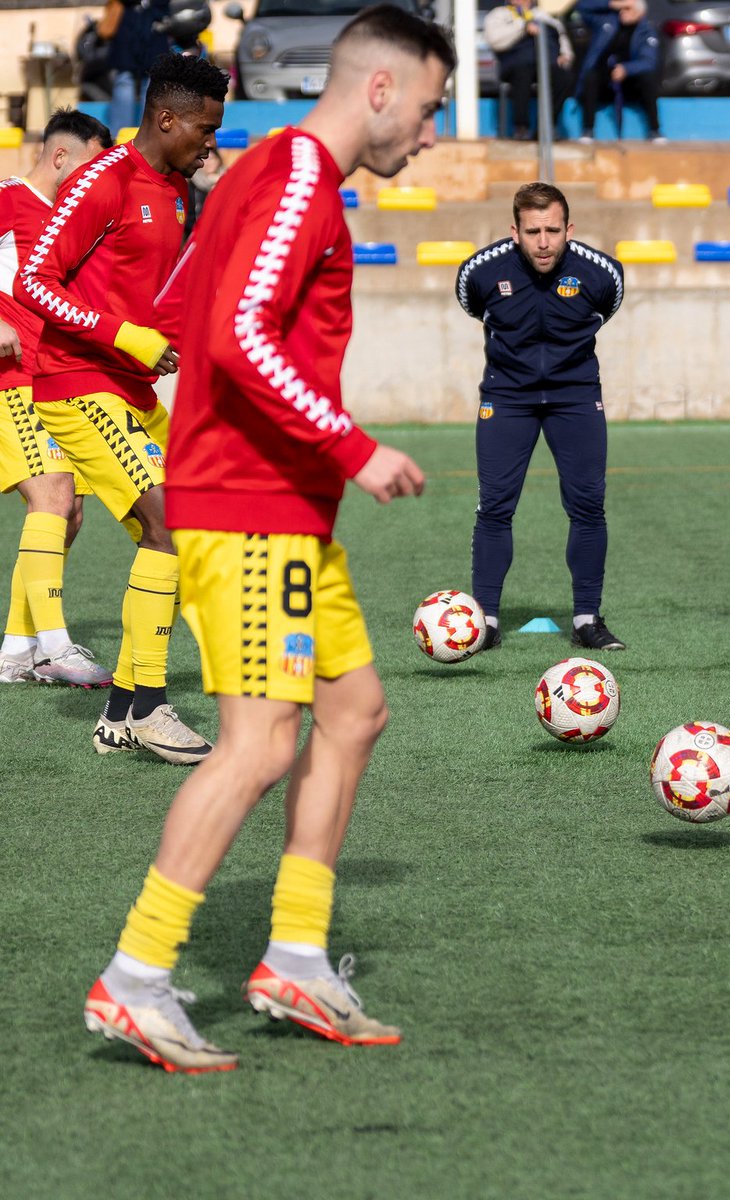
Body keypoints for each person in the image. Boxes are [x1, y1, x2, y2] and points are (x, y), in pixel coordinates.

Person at [81, 5, 455, 1075]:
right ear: (380, 90)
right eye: (429, 108)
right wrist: (351, 445)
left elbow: (185, 301)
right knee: (258, 745)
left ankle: (294, 957)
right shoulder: (297, 176)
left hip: (276, 506)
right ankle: (134, 979)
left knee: (355, 712)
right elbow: (240, 331)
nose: (430, 133)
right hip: (248, 506)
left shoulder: (269, 173)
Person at [14, 53, 227, 763]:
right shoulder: (101, 182)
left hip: (131, 388)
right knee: (170, 523)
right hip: (77, 384)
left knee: (185, 532)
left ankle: (120, 711)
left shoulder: (177, 189)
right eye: (203, 129)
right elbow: (36, 282)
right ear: (165, 119)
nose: (210, 144)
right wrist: (123, 335)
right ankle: (150, 708)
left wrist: (170, 340)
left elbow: (149, 291)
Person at [455, 181, 626, 652]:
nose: (544, 242)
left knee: (588, 505)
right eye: (533, 232)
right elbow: (472, 304)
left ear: (570, 228)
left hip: (576, 397)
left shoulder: (602, 274)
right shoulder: (480, 272)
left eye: (553, 230)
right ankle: (486, 620)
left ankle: (587, 619)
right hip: (507, 397)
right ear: (515, 232)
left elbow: (608, 307)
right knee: (494, 507)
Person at [0, 111, 114, 688]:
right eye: (91, 166)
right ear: (61, 156)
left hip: (55, 380)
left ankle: (17, 650)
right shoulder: (8, 197)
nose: (96, 181)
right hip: (10, 378)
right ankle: (54, 647)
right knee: (53, 493)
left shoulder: (70, 219)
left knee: (68, 514)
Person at [483, 0, 574, 141]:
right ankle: (521, 127)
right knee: (522, 73)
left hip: (545, 63)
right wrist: (523, 27)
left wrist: (565, 55)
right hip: (515, 64)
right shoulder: (499, 15)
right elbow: (495, 41)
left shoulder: (545, 16)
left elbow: (562, 40)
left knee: (564, 78)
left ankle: (545, 126)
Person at [578, 0, 664, 144]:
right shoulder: (608, 23)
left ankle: (655, 130)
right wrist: (612, 4)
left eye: (628, 9)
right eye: (622, 9)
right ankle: (588, 129)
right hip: (606, 82)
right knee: (591, 76)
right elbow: (582, 7)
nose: (623, 12)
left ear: (640, 13)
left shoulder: (646, 31)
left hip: (630, 83)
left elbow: (649, 62)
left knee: (648, 78)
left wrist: (626, 69)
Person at [105, 0, 172, 132]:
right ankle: (147, 134)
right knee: (147, 82)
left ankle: (121, 136)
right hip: (148, 21)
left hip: (138, 21)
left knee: (131, 81)